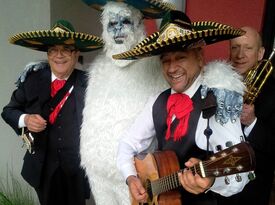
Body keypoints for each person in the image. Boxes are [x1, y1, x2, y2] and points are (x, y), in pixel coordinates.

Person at [115, 10, 252, 204]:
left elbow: (240, 174)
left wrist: (212, 180)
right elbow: (127, 144)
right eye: (166, 60)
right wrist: (131, 178)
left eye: (180, 57)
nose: (172, 68)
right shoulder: (157, 101)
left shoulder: (218, 101)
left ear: (199, 57)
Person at [79, 1, 173, 204]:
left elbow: (192, 79)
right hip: (97, 172)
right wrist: (41, 67)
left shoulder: (157, 64)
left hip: (136, 173)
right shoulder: (98, 69)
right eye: (112, 24)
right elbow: (65, 76)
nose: (118, 29)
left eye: (125, 21)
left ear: (139, 25)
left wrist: (222, 78)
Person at [1, 20, 103, 205]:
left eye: (66, 49)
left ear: (76, 53)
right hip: (42, 169)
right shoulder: (31, 80)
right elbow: (8, 111)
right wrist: (26, 119)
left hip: (77, 170)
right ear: (47, 55)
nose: (59, 55)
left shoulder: (90, 84)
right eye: (53, 50)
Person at [226, 26, 275, 205]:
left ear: (260, 53)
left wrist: (252, 122)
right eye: (235, 47)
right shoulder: (218, 83)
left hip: (251, 189)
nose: (240, 55)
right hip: (216, 183)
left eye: (248, 48)